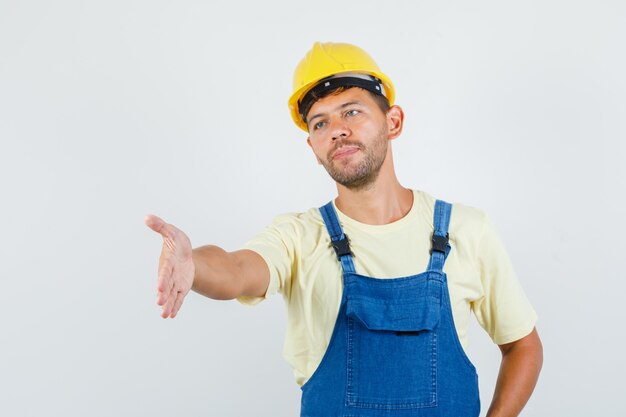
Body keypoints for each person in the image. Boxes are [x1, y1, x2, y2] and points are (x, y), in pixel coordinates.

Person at [145, 42, 543, 417]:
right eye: (320, 123)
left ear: (393, 121)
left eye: (351, 112)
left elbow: (523, 345)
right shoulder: (299, 237)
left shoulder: (465, 230)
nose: (336, 129)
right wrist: (192, 263)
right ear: (313, 148)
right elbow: (236, 269)